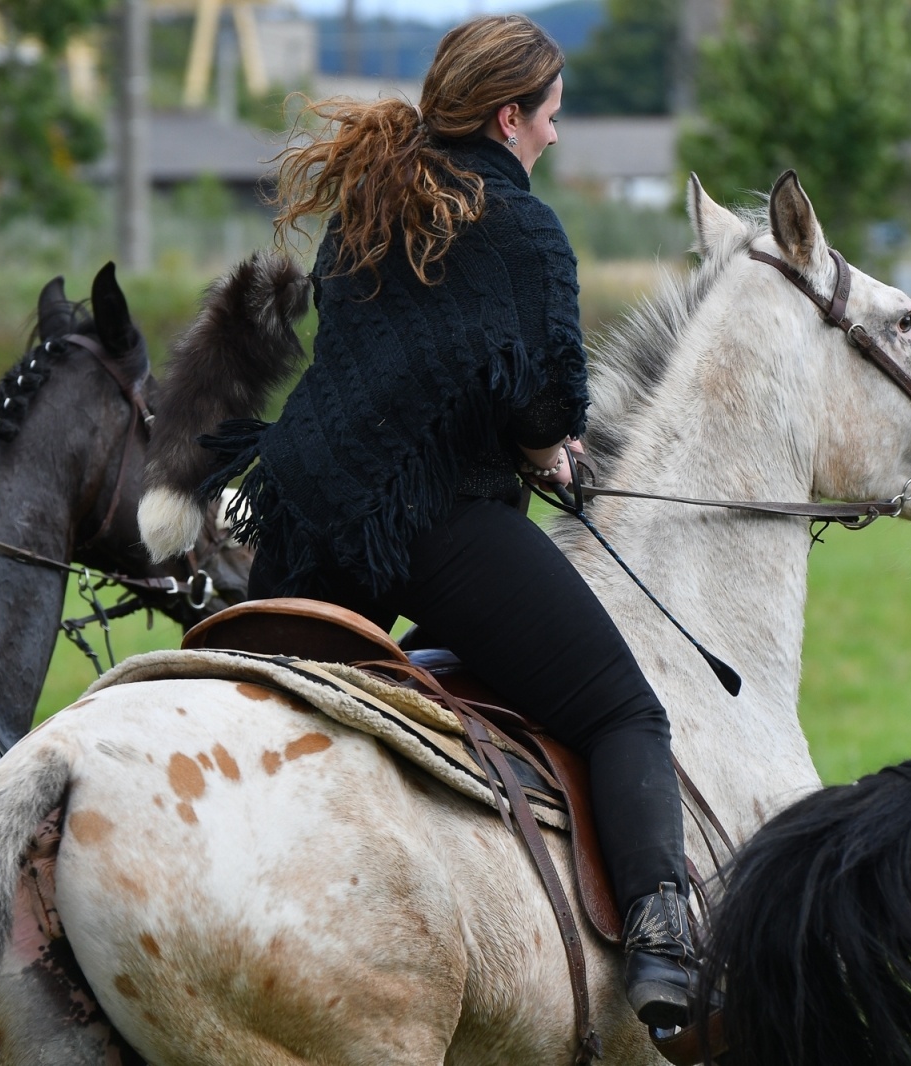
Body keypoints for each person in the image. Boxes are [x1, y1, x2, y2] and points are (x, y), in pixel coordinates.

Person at [201, 13, 708, 1030]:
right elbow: (545, 408)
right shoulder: (522, 228)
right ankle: (665, 944)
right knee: (623, 713)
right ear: (510, 116)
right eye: (552, 118)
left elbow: (390, 371)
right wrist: (543, 453)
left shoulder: (368, 205)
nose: (555, 139)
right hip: (433, 530)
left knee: (246, 731)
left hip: (303, 519)